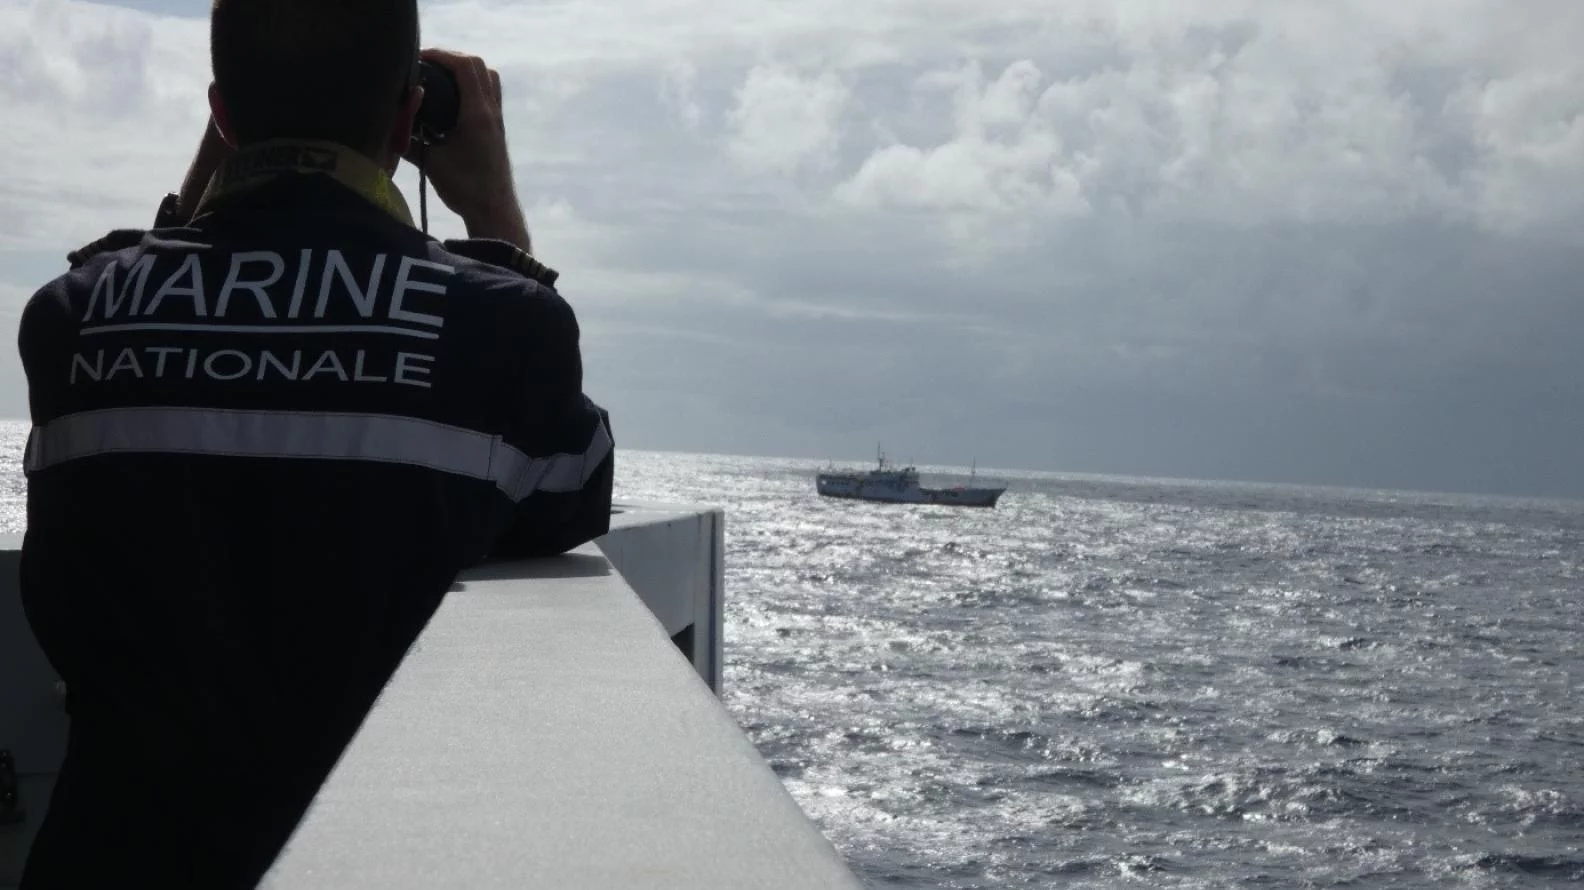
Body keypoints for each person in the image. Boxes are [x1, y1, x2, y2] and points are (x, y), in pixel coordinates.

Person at [15, 0, 613, 886]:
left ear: (221, 114)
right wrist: (494, 219)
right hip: (374, 861)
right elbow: (565, 496)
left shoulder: (69, 320)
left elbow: (159, 277)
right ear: (409, 115)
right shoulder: (505, 329)